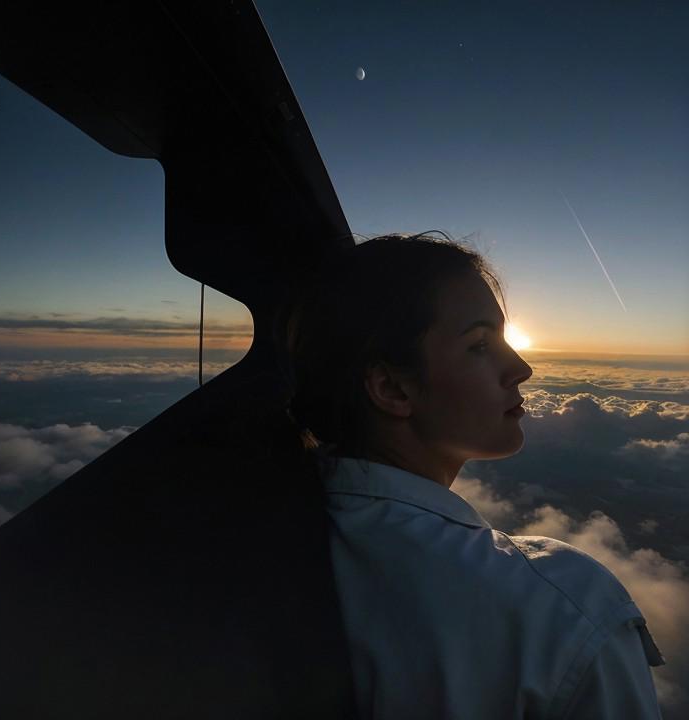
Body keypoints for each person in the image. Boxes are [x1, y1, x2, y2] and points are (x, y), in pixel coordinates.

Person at [278, 233, 665, 719]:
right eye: (480, 345)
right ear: (392, 388)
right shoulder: (564, 608)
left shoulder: (250, 536)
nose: (521, 368)